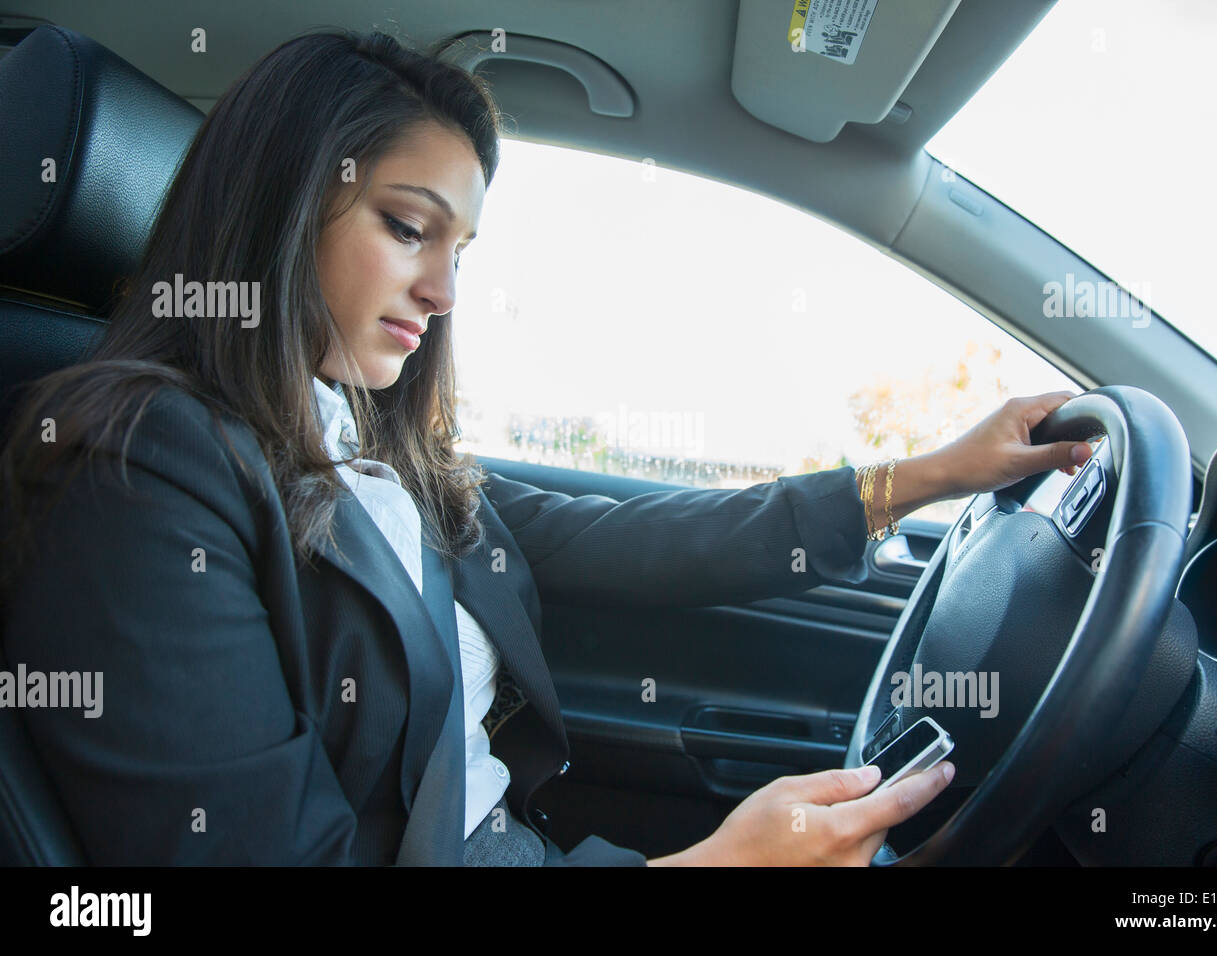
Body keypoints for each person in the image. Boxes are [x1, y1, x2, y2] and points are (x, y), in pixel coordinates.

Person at [0, 28, 1093, 866]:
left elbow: (631, 539)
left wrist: (931, 475)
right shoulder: (136, 472)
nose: (442, 291)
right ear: (283, 207)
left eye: (459, 247)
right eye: (406, 226)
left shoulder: (367, 445)